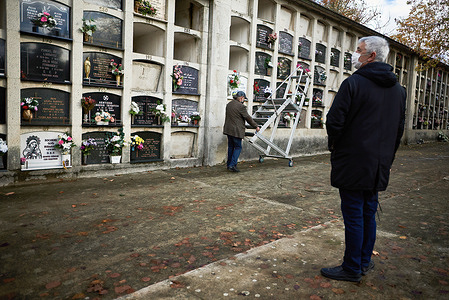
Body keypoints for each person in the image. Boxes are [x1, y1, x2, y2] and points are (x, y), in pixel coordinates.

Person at [321, 36, 406, 282]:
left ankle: (352, 267)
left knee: (354, 215)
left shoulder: (354, 83)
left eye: (358, 50)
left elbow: (334, 121)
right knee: (369, 213)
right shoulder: (399, 91)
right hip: (379, 165)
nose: (353, 54)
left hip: (353, 162)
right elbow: (398, 131)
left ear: (371, 56)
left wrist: (337, 148)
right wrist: (387, 159)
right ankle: (364, 261)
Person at [223, 91, 260, 172]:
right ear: (241, 97)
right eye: (243, 99)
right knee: (238, 147)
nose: (243, 100)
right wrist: (256, 126)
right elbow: (248, 118)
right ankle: (232, 165)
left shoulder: (229, 104)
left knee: (231, 147)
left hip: (228, 129)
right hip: (236, 131)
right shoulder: (241, 106)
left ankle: (229, 164)